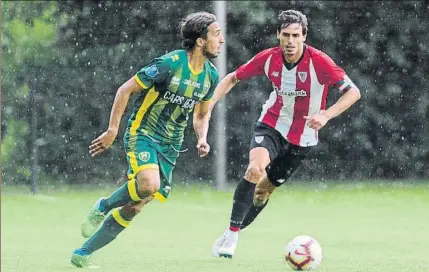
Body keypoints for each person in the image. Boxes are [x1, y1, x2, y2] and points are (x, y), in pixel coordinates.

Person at [70, 11, 225, 268]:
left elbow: (201, 113)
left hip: (171, 145)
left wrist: (202, 138)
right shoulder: (170, 64)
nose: (221, 41)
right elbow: (126, 89)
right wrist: (112, 130)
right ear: (200, 41)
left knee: (136, 205)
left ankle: (82, 253)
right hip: (143, 133)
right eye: (217, 35)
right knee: (148, 184)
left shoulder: (210, 75)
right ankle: (103, 206)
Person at [209, 9, 361, 258]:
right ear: (278, 34)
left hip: (303, 139)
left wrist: (325, 115)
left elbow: (353, 92)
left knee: (262, 192)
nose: (291, 41)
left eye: (296, 35)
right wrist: (210, 102)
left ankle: (232, 231)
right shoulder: (268, 58)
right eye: (286, 35)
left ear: (304, 36)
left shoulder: (320, 61)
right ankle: (232, 235)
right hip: (272, 125)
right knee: (254, 170)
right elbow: (233, 78)